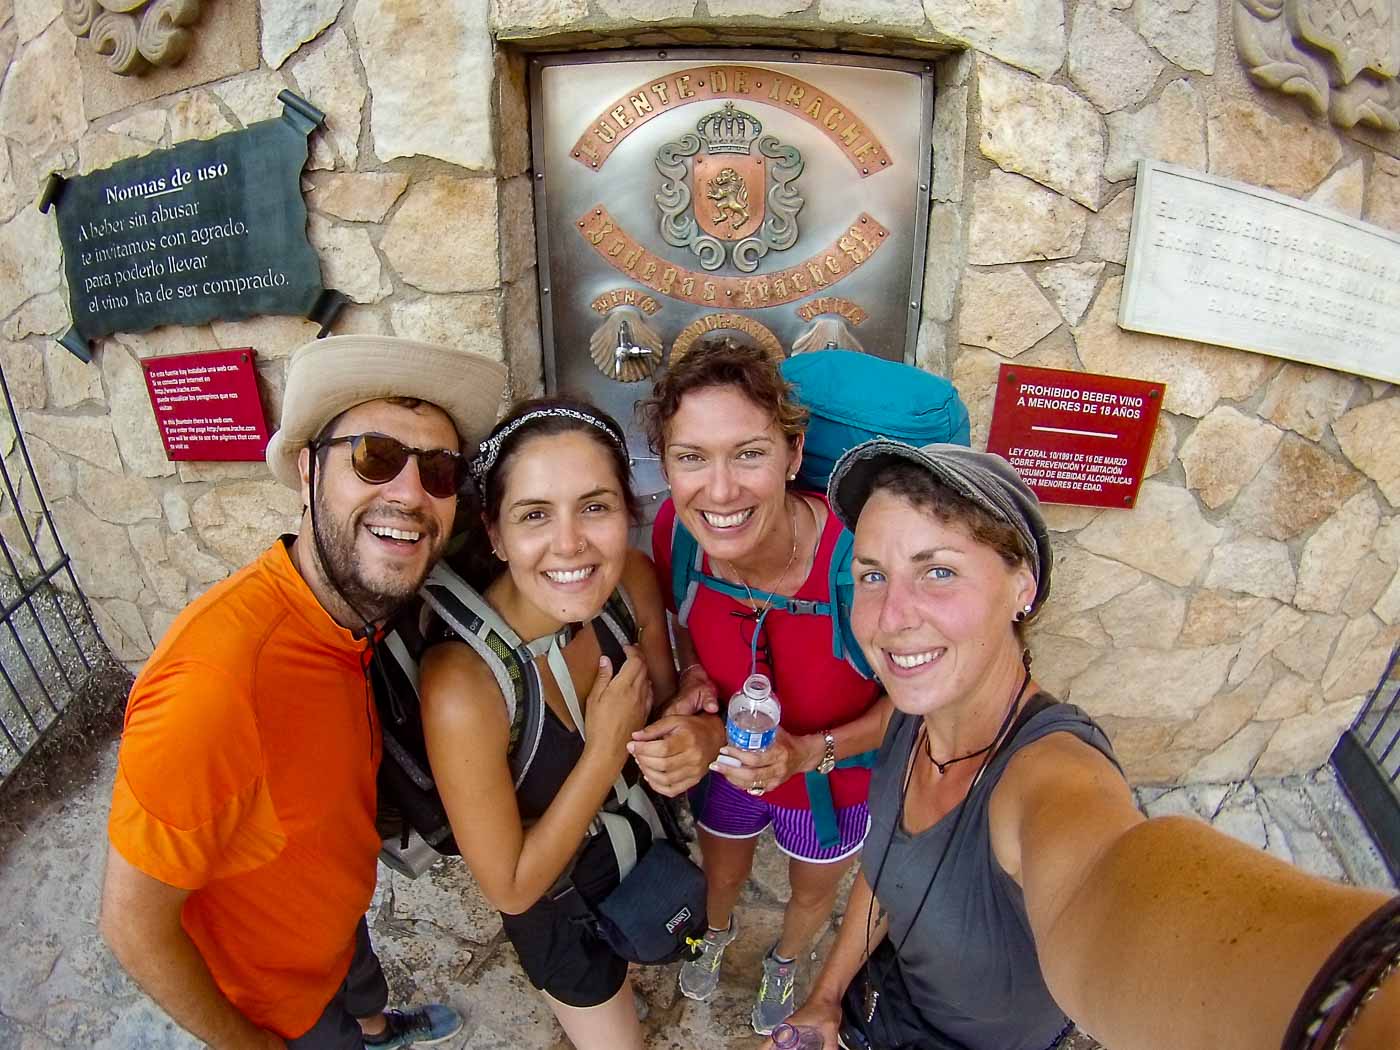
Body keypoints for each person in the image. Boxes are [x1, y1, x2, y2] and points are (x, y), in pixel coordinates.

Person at [777, 438, 1399, 1050]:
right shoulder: (916, 713)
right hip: (877, 1004)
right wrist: (827, 996)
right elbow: (890, 868)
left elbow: (1113, 882)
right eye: (872, 575)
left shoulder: (1048, 774)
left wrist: (1350, 999)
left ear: (1023, 588)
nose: (890, 616)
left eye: (938, 571)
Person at [99, 335, 507, 1050]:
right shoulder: (214, 687)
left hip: (334, 919)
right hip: (278, 1001)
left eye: (439, 471)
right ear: (306, 470)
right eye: (374, 458)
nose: (411, 494)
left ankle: (379, 1027)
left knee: (362, 989)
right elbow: (133, 926)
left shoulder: (352, 610)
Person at [628, 339, 888, 1034]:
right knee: (721, 872)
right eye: (691, 458)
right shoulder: (673, 538)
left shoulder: (860, 562)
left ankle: (785, 963)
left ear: (793, 457)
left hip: (833, 779)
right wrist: (688, 671)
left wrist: (808, 753)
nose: (719, 491)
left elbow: (919, 708)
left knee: (811, 890)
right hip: (730, 761)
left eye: (748, 453)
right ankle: (712, 941)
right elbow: (681, 621)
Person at [416, 398, 679, 1050]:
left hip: (637, 851)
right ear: (496, 534)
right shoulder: (464, 685)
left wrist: (694, 735)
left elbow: (668, 713)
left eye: (595, 506)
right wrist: (604, 749)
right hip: (558, 908)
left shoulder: (632, 584)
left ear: (627, 512)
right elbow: (510, 886)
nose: (570, 543)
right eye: (535, 515)